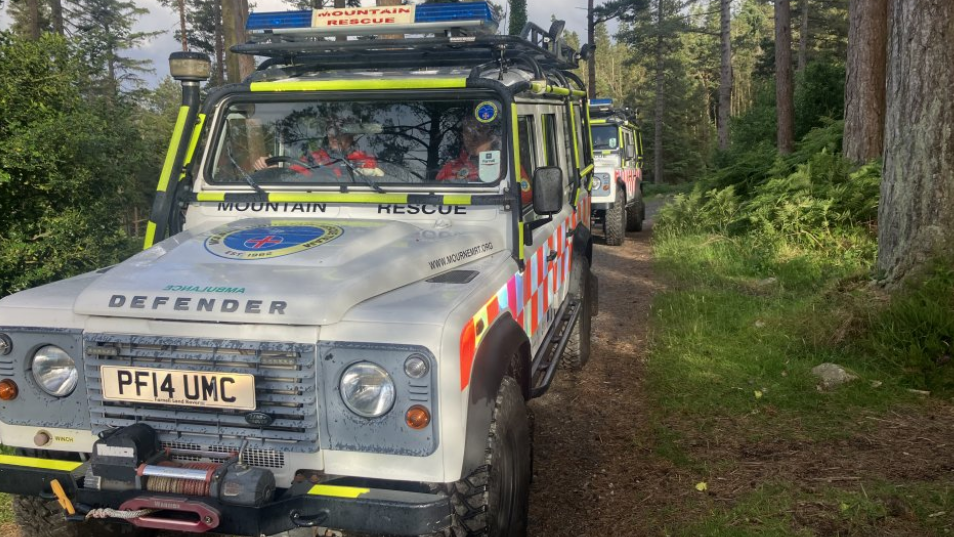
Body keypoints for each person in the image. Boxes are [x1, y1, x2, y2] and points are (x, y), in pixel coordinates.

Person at [437, 115, 533, 205]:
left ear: (488, 134)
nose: (471, 137)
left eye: (477, 131)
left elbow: (525, 197)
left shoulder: (507, 165)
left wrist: (501, 186)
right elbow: (433, 197)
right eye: (466, 132)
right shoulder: (450, 168)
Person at [253, 118, 381, 178]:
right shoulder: (315, 157)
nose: (333, 135)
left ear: (351, 135)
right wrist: (274, 169)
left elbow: (372, 179)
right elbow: (294, 172)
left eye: (339, 131)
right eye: (330, 129)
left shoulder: (364, 159)